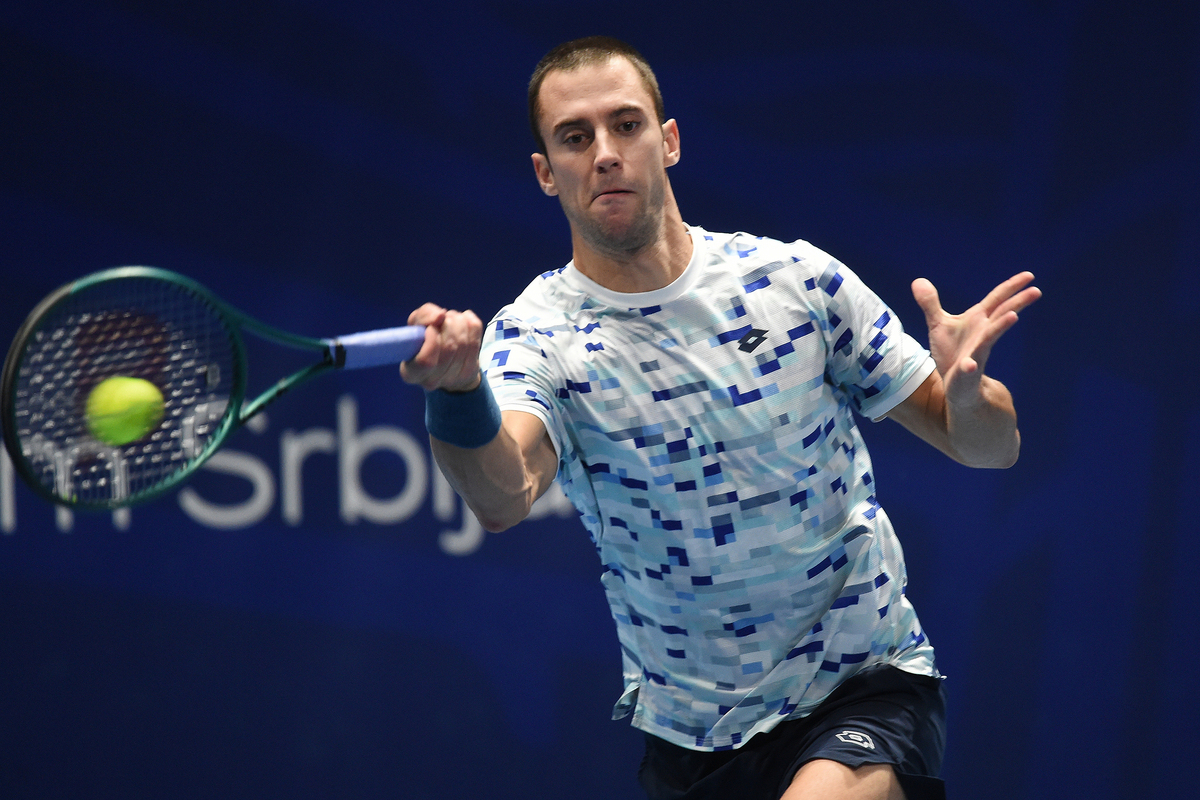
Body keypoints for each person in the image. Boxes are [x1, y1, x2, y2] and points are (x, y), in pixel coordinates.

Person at [400, 36, 1040, 800]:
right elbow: (502, 496)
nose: (605, 153)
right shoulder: (536, 335)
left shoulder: (794, 281)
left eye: (627, 125)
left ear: (667, 141)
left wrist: (968, 400)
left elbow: (989, 449)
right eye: (576, 137)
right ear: (546, 173)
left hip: (861, 683)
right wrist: (459, 392)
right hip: (690, 737)